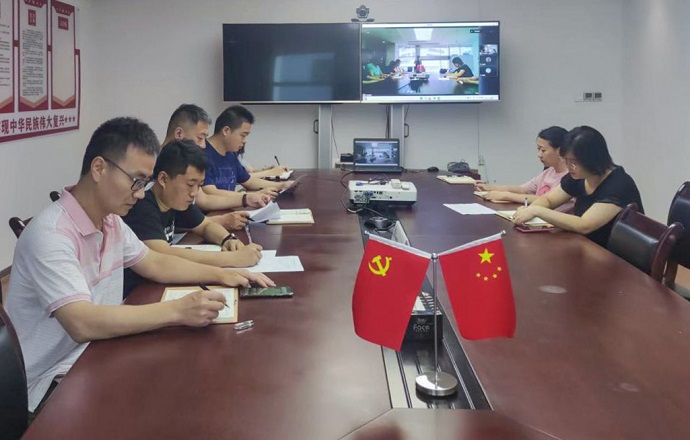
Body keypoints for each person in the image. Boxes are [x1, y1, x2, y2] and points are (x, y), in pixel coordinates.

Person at [5, 117, 274, 415]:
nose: (140, 193)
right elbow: (82, 323)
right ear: (99, 168)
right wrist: (178, 311)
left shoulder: (111, 222)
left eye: (144, 183)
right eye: (136, 181)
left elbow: (156, 263)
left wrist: (223, 274)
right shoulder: (51, 235)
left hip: (98, 352)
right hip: (49, 386)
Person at [122, 139, 264, 297]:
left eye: (199, 185)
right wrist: (231, 259)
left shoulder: (175, 200)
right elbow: (164, 255)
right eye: (190, 185)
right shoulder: (142, 207)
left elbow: (206, 225)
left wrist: (228, 239)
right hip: (136, 293)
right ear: (163, 179)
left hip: (157, 284)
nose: (195, 193)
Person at [513, 126, 643, 247]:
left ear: (592, 159)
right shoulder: (579, 176)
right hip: (585, 245)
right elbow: (549, 200)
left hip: (614, 255)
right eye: (566, 160)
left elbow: (584, 225)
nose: (568, 166)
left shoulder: (618, 185)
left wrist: (536, 211)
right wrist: (528, 211)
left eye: (573, 162)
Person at [161, 104, 270, 230]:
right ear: (179, 133)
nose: (203, 145)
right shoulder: (155, 168)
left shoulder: (182, 161)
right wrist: (223, 219)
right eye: (200, 138)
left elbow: (203, 199)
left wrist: (246, 199)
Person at [475, 126, 574, 212]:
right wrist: (489, 188)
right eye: (538, 149)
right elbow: (523, 190)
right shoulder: (548, 172)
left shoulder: (571, 177)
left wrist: (506, 196)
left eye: (543, 150)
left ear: (560, 150)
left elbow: (545, 200)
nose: (539, 155)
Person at [204, 105, 292, 198]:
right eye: (243, 135)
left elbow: (248, 181)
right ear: (226, 131)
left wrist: (282, 186)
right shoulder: (202, 154)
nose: (245, 141)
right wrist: (250, 197)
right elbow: (210, 193)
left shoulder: (230, 153)